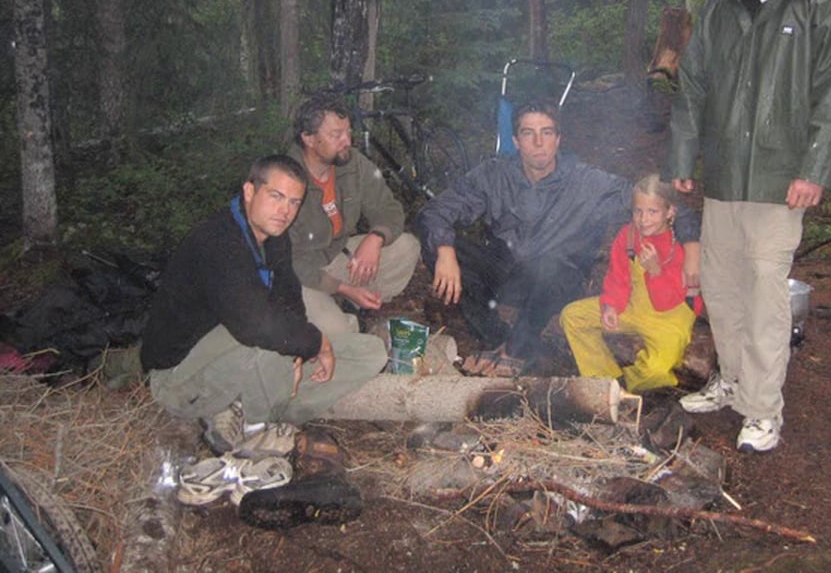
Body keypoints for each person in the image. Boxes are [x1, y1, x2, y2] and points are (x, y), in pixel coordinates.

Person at [664, 0, 831, 452]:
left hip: (781, 179)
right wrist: (682, 156)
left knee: (764, 294)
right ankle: (731, 380)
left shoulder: (823, 0)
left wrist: (814, 169)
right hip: (726, 173)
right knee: (721, 288)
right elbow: (693, 83)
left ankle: (762, 409)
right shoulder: (722, 3)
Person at [417, 99, 701, 377]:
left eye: (547, 133)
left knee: (550, 265)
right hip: (507, 272)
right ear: (516, 141)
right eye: (528, 133)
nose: (538, 143)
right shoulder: (495, 175)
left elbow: (670, 206)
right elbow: (436, 211)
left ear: (558, 139)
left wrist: (691, 249)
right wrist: (445, 251)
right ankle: (494, 337)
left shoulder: (587, 182)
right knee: (438, 246)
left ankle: (518, 348)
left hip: (557, 281)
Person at [141, 155, 387, 452]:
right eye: (276, 196)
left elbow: (289, 297)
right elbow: (255, 325)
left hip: (243, 355)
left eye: (294, 202)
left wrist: (299, 351)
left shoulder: (274, 236)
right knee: (273, 333)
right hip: (180, 378)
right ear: (249, 191)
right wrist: (315, 343)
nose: (285, 211)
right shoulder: (217, 240)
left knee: (370, 353)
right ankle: (255, 426)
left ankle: (262, 407)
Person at [286, 94, 420, 341]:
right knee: (336, 332)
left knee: (407, 247)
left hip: (338, 256)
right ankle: (343, 312)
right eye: (336, 135)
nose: (347, 141)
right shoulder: (285, 178)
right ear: (308, 138)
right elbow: (286, 260)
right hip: (300, 275)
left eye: (348, 132)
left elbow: (388, 207)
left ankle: (356, 304)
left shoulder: (353, 163)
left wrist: (376, 238)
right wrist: (341, 287)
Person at [561, 174, 703, 392]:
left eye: (653, 212)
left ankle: (629, 384)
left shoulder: (681, 246)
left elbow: (668, 301)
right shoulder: (628, 236)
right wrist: (611, 305)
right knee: (572, 317)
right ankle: (605, 379)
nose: (644, 219)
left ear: (670, 212)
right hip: (632, 306)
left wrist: (655, 271)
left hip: (669, 318)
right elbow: (618, 278)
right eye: (638, 211)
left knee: (657, 370)